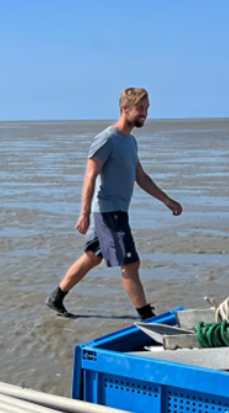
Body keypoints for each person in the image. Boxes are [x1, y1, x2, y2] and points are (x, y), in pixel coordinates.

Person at [46, 87, 182, 320]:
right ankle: (146, 316)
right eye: (140, 109)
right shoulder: (107, 139)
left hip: (117, 210)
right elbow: (90, 176)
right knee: (130, 264)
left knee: (92, 257)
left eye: (147, 109)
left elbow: (140, 176)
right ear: (124, 109)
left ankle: (56, 298)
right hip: (108, 212)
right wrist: (84, 213)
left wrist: (166, 200)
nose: (145, 114)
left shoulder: (130, 142)